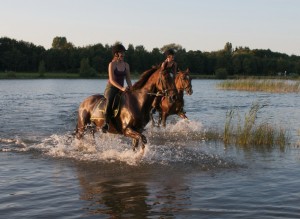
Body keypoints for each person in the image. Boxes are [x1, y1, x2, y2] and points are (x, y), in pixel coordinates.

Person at [102, 43, 132, 133]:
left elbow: (128, 79)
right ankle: (106, 123)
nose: (123, 54)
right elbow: (111, 80)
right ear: (116, 53)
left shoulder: (126, 65)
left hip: (121, 89)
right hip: (111, 88)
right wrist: (122, 88)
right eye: (120, 52)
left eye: (123, 52)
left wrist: (132, 88)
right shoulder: (112, 64)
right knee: (110, 100)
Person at [151, 48, 178, 114]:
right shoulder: (164, 63)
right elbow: (161, 73)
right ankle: (155, 106)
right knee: (161, 91)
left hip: (169, 78)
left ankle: (178, 106)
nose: (173, 57)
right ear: (168, 57)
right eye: (172, 56)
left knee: (174, 90)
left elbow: (174, 74)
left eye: (174, 56)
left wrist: (173, 81)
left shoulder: (174, 64)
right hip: (161, 78)